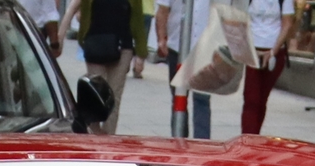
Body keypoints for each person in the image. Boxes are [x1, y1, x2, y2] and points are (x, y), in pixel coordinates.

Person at [63, 0, 142, 132]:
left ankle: (108, 139)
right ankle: (96, 135)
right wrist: (61, 38)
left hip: (123, 48)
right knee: (94, 96)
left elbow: (137, 20)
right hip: (95, 45)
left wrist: (141, 54)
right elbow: (74, 10)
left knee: (114, 98)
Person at [152, 0, 215, 135]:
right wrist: (161, 39)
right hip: (177, 47)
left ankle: (201, 143)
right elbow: (162, 11)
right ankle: (179, 138)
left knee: (202, 99)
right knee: (178, 97)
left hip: (204, 49)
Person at [240, 0, 290, 134]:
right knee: (251, 99)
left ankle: (255, 136)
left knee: (262, 99)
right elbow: (241, 19)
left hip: (274, 52)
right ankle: (248, 138)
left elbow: (287, 23)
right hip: (254, 50)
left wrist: (273, 51)